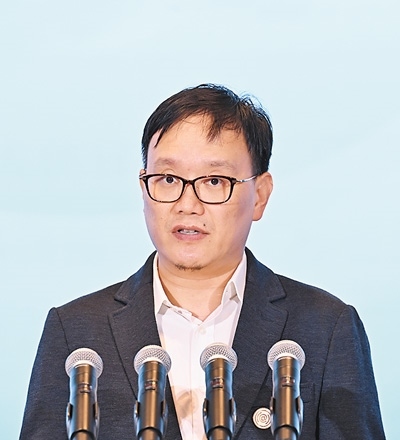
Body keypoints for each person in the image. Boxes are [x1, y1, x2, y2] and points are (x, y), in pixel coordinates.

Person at [20, 84, 385, 439]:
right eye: (168, 178)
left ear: (259, 195)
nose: (187, 205)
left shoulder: (325, 327)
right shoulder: (77, 331)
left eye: (213, 181)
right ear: (143, 187)